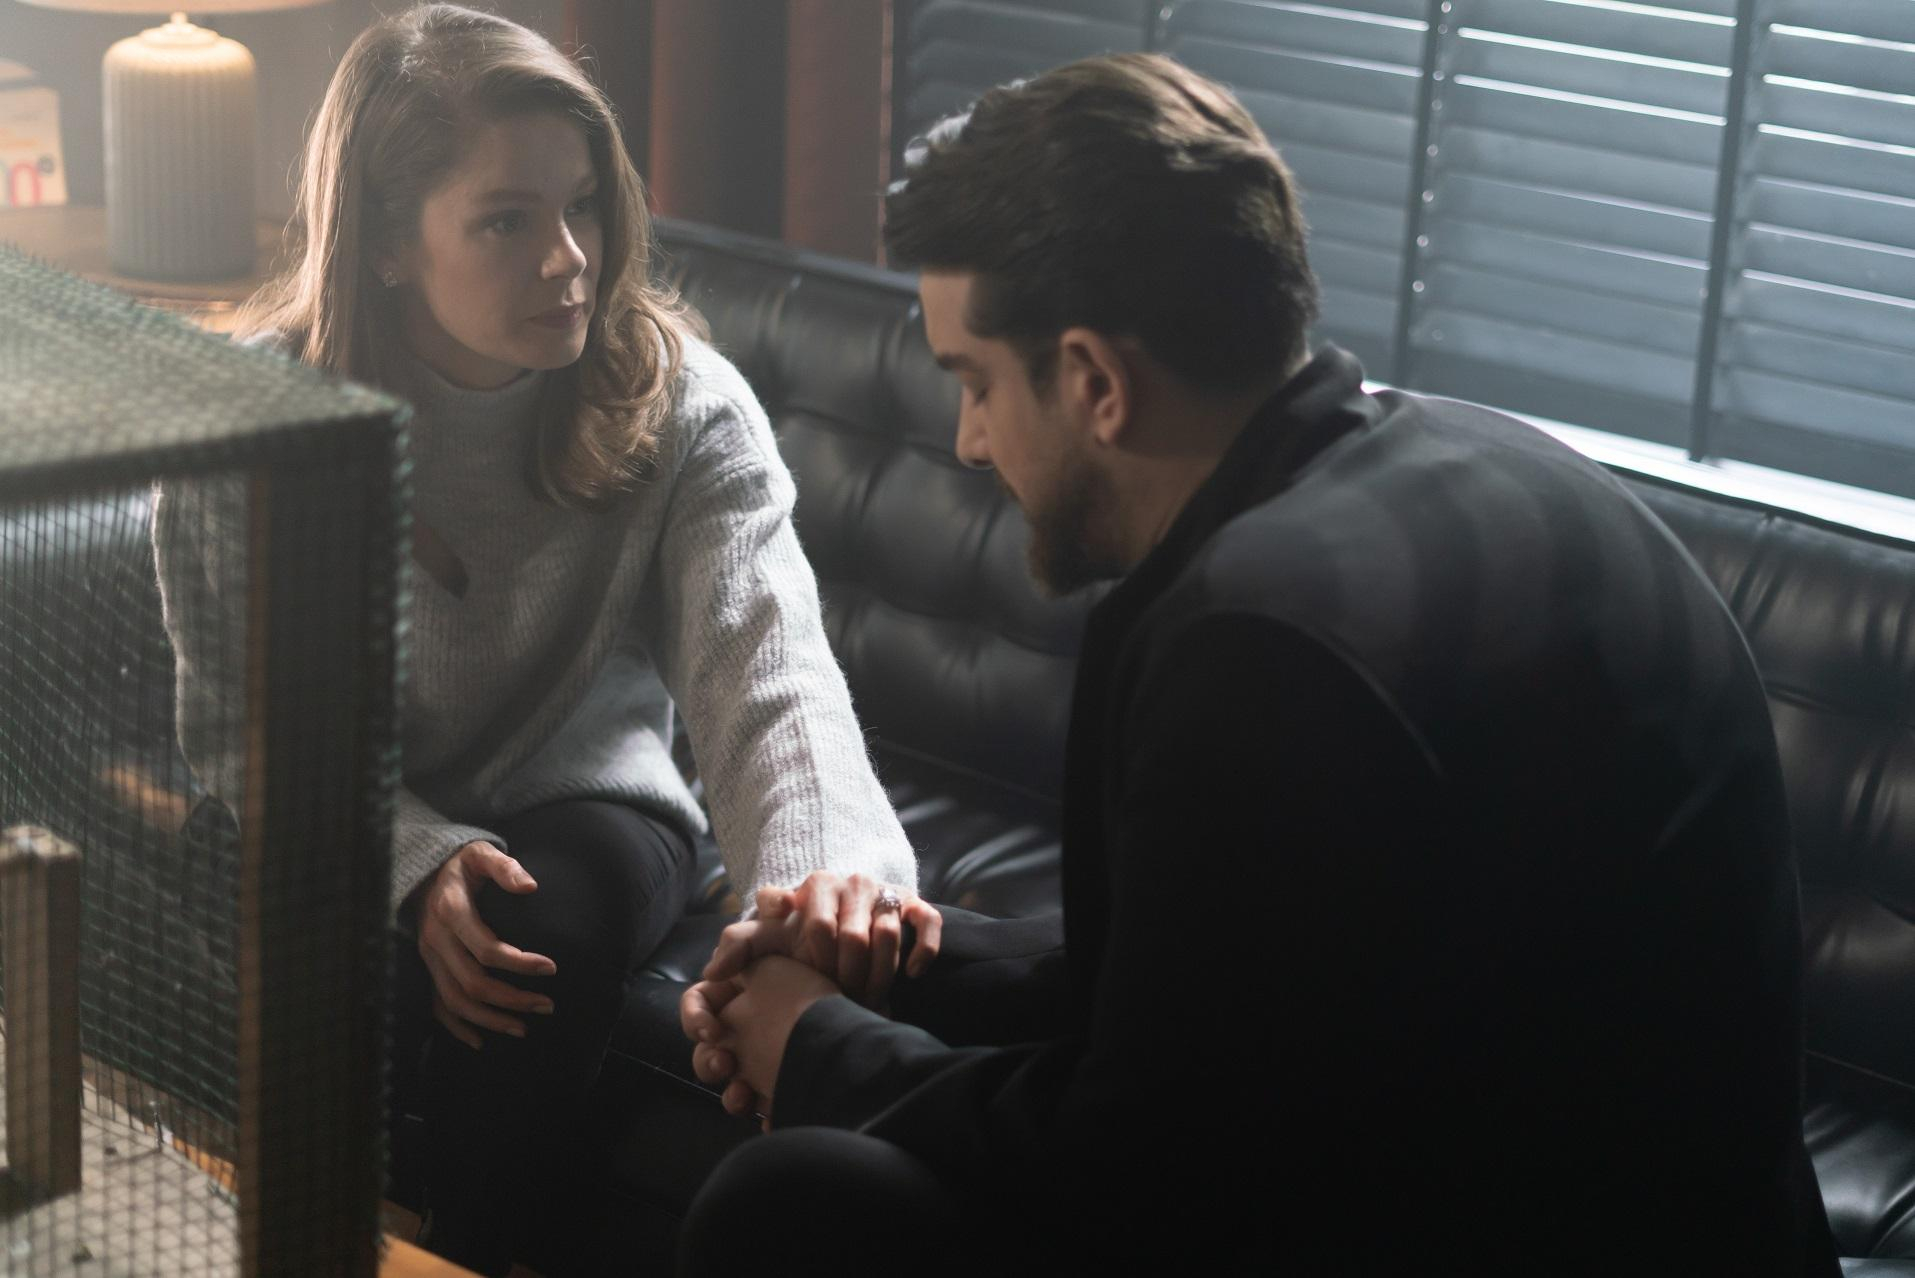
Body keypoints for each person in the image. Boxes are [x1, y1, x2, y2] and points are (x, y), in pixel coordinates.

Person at [677, 52, 1841, 1276]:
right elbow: (1239, 994)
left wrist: (819, 1050)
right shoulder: (1497, 467)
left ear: (1094, 382)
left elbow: (1141, 1166)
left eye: (974, 383)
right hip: (1583, 1187)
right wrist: (905, 962)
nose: (969, 442)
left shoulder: (1263, 644)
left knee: (795, 1201)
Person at [151, 5, 937, 1274]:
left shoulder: (683, 406)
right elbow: (243, 726)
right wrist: (412, 859)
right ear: (387, 244)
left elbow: (769, 668)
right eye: (507, 222)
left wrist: (822, 885)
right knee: (287, 922)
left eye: (583, 207)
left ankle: (478, 1255)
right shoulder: (247, 423)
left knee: (530, 944)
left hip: (586, 795)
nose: (569, 260)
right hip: (338, 796)